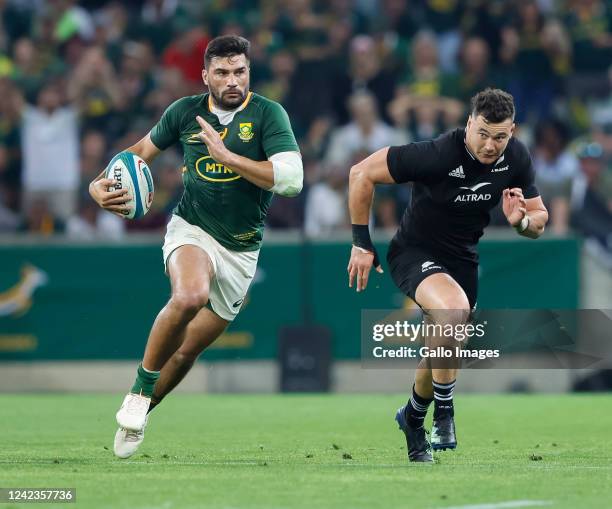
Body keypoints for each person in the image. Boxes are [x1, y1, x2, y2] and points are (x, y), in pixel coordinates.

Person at [89, 35, 303, 459]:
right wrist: (98, 185)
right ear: (205, 75)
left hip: (241, 249)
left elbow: (292, 180)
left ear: (248, 72)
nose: (232, 81)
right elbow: (137, 154)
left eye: (239, 71)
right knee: (189, 295)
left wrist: (230, 158)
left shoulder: (267, 115)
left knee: (187, 350)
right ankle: (138, 390)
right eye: (221, 72)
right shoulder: (184, 112)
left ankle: (144, 409)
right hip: (192, 228)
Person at [346, 88, 548, 462]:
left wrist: (521, 223)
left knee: (443, 347)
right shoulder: (438, 154)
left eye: (500, 136)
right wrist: (361, 242)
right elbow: (361, 173)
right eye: (483, 133)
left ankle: (412, 417)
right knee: (453, 312)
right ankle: (445, 414)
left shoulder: (516, 156)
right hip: (414, 252)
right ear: (469, 124)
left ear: (513, 132)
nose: (491, 145)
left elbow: (539, 218)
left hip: (462, 262)